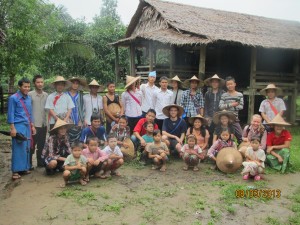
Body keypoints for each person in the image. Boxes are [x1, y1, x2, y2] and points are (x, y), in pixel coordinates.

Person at [7, 77, 36, 180]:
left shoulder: (28, 98)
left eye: (28, 87)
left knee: (26, 147)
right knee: (18, 148)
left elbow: (30, 113)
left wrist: (32, 125)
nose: (27, 88)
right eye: (25, 86)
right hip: (18, 125)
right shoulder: (13, 98)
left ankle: (24, 168)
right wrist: (12, 128)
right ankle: (15, 171)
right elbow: (10, 114)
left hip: (27, 125)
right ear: (19, 87)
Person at [28, 75, 48, 168]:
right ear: (34, 83)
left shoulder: (46, 95)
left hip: (43, 124)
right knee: (32, 145)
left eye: (41, 82)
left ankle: (40, 162)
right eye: (38, 82)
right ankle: (28, 163)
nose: (40, 84)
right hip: (34, 124)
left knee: (41, 145)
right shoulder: (30, 95)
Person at [219, 76, 244, 143]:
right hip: (225, 120)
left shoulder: (239, 95)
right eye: (228, 84)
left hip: (235, 118)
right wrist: (232, 104)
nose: (230, 86)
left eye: (231, 84)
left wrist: (227, 107)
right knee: (222, 136)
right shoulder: (224, 95)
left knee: (241, 136)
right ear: (226, 85)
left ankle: (239, 148)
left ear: (234, 84)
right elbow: (220, 106)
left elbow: (241, 106)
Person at [203, 74, 225, 145]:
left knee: (219, 131)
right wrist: (206, 116)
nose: (214, 83)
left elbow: (224, 105)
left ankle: (219, 147)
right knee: (210, 131)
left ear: (218, 83)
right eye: (213, 82)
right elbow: (205, 105)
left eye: (216, 82)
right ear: (211, 83)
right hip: (210, 115)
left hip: (219, 116)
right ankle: (210, 147)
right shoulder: (207, 93)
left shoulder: (223, 93)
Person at [67, 77, 87, 144]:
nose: (75, 85)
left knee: (78, 142)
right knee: (68, 140)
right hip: (68, 120)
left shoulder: (81, 95)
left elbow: (83, 108)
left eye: (77, 83)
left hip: (79, 120)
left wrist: (82, 120)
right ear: (70, 84)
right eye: (73, 83)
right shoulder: (65, 95)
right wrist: (68, 118)